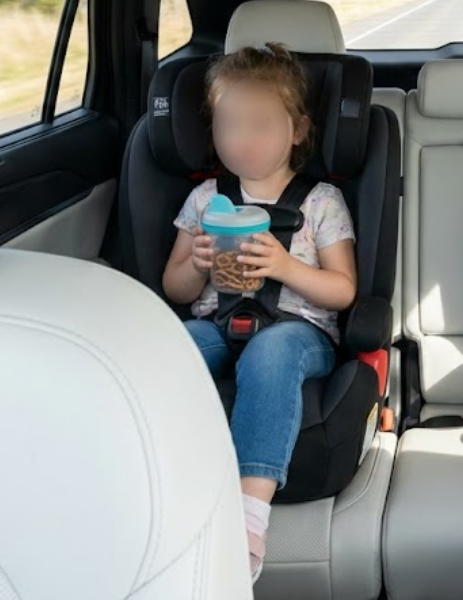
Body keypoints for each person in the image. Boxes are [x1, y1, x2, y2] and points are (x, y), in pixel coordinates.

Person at [161, 43, 356, 582]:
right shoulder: (206, 200)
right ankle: (157, 487)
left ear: (297, 130)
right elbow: (174, 287)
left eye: (259, 125)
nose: (241, 140)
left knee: (271, 351)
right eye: (228, 125)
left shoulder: (320, 202)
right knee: (170, 347)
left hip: (299, 332)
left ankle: (248, 516)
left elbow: (342, 290)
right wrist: (198, 263)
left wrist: (284, 265)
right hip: (216, 322)